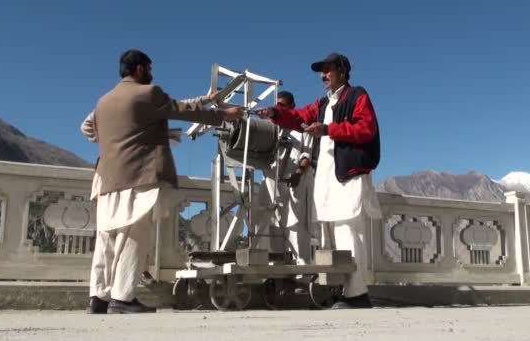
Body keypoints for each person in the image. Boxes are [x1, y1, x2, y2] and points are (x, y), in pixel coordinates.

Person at [85, 49, 243, 314]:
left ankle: (98, 298)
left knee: (106, 240)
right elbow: (180, 109)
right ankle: (122, 298)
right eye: (149, 68)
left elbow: (87, 128)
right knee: (134, 236)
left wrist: (114, 142)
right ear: (138, 69)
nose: (152, 73)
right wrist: (223, 115)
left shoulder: (103, 102)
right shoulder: (149, 93)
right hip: (138, 175)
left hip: (106, 178)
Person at [258, 53, 381, 309]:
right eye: (321, 71)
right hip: (328, 179)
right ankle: (341, 291)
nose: (323, 76)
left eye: (328, 70)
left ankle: (358, 294)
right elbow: (299, 116)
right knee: (328, 237)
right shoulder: (322, 104)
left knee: (348, 233)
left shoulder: (357, 95)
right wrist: (275, 113)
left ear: (343, 71)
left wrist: (328, 130)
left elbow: (366, 129)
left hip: (348, 176)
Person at [255, 91, 316, 265]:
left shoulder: (303, 128)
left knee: (297, 225)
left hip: (296, 181)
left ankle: (301, 269)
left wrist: (298, 174)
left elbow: (307, 155)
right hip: (273, 182)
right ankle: (279, 266)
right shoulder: (272, 128)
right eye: (277, 105)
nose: (278, 108)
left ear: (291, 107)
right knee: (274, 224)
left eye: (282, 105)